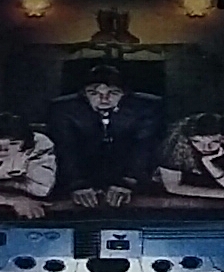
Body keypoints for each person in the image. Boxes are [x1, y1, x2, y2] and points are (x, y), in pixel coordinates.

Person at [44, 64, 164, 207]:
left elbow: (144, 146)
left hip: (131, 176)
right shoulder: (64, 109)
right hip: (81, 175)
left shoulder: (146, 108)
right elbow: (65, 147)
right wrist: (77, 184)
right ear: (84, 95)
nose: (104, 99)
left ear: (124, 94)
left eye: (113, 93)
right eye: (94, 93)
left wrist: (128, 181)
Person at [156, 113, 224, 211]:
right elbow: (173, 187)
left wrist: (209, 164)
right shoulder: (175, 148)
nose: (205, 147)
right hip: (183, 205)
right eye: (196, 141)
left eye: (214, 142)